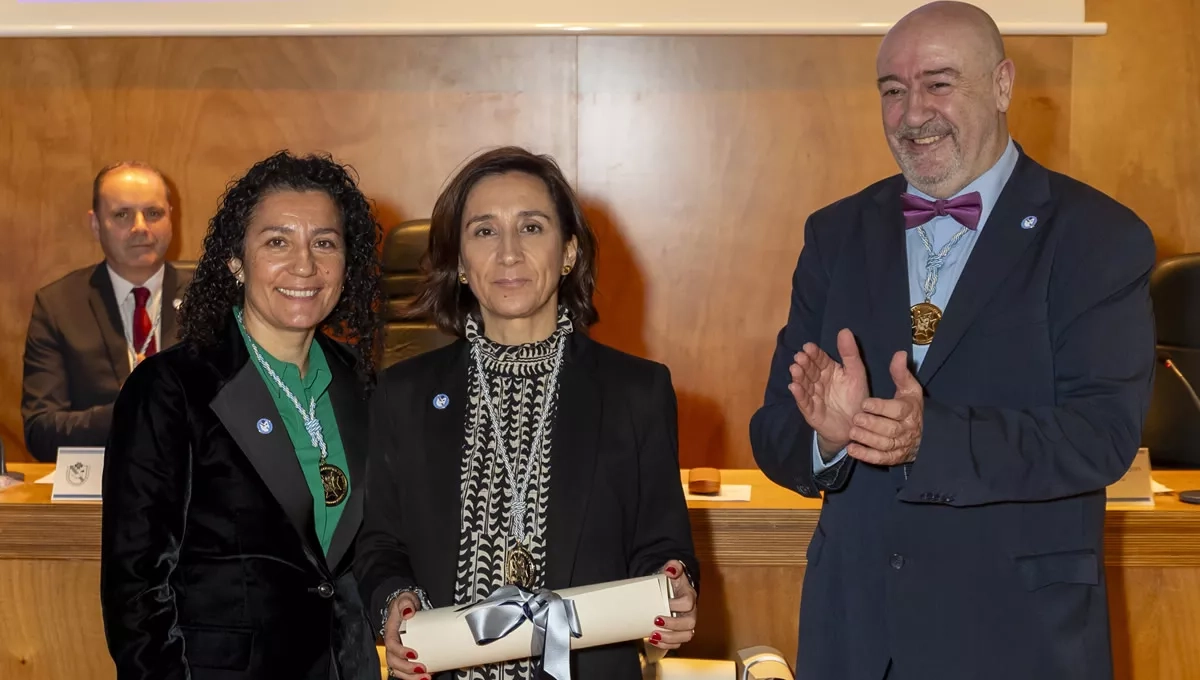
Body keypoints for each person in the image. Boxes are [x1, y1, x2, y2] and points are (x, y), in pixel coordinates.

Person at [749, 3, 1156, 680]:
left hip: (1017, 639)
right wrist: (830, 440)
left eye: (938, 84)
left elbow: (1101, 436)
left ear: (1002, 85)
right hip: (855, 641)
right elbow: (774, 430)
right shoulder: (835, 234)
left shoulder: (1099, 237)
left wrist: (928, 439)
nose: (913, 115)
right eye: (893, 91)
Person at [355, 146, 699, 680]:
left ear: (569, 253)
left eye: (532, 228)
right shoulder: (402, 394)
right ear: (459, 262)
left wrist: (675, 585)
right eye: (484, 231)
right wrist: (395, 601)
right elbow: (380, 544)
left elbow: (662, 544)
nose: (509, 252)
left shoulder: (637, 391)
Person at [99, 151, 385, 679]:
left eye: (325, 242)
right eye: (277, 242)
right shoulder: (170, 389)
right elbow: (136, 592)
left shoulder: (362, 384)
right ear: (236, 261)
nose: (305, 265)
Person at [21, 161, 191, 462]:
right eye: (122, 214)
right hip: (101, 481)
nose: (141, 227)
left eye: (153, 213)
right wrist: (126, 410)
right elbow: (40, 431)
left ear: (170, 218)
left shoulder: (211, 299)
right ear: (96, 224)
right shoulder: (58, 305)